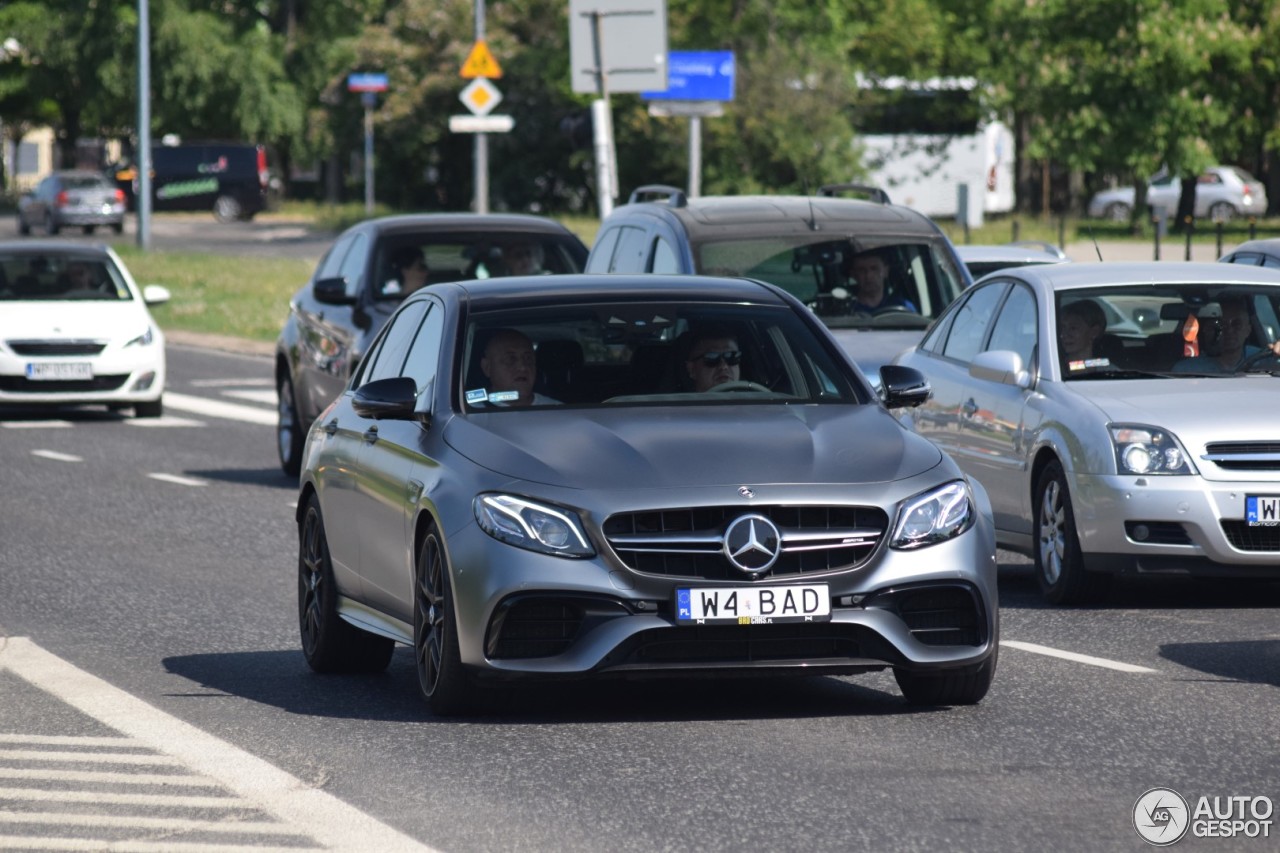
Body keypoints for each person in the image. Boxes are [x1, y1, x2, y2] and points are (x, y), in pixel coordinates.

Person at [1173, 297, 1280, 373]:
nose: (1229, 331)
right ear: (1207, 331)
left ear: (1248, 330)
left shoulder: (1266, 360)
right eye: (1221, 325)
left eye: (1236, 324)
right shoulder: (1187, 370)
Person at [479, 329, 559, 406]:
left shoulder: (559, 411)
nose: (523, 367)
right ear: (487, 368)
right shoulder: (469, 411)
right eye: (510, 359)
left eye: (528, 358)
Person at [845, 250, 917, 314]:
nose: (868, 276)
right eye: (862, 270)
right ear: (854, 275)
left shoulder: (903, 308)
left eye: (874, 269)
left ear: (886, 271)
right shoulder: (847, 310)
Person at [1058, 299, 1107, 367]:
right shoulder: (1052, 365)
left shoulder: (1107, 369)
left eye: (1073, 328)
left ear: (1094, 332)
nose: (1063, 334)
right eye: (1062, 328)